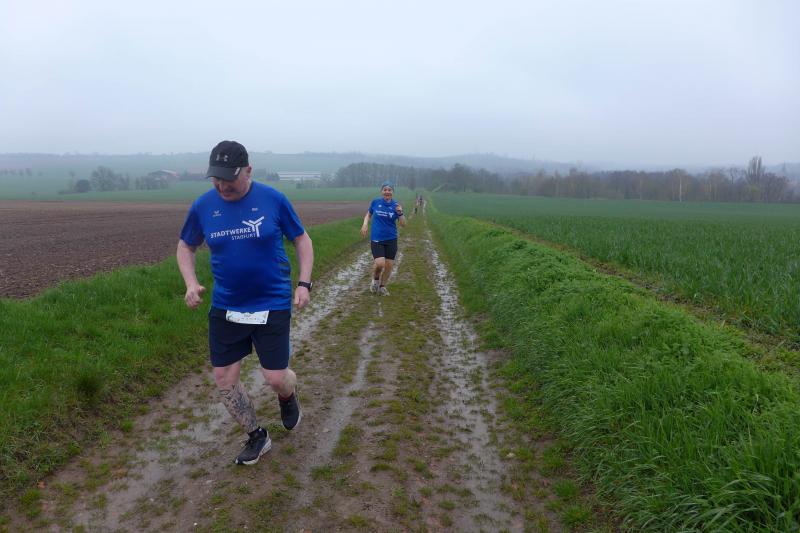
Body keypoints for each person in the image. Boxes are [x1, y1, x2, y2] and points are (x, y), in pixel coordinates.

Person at [177, 140, 314, 465]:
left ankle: (287, 394)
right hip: (227, 305)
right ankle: (257, 436)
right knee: (224, 379)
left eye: (229, 179)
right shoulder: (203, 206)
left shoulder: (273, 199)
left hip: (271, 302)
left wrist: (304, 283)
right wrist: (191, 283)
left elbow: (301, 239)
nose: (222, 186)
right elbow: (186, 246)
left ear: (248, 171)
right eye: (216, 179)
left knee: (275, 377)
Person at [360, 180, 406, 295]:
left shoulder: (396, 206)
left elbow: (403, 224)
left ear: (393, 192)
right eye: (385, 190)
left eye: (389, 190)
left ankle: (382, 287)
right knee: (380, 264)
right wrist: (365, 224)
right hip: (377, 238)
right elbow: (368, 214)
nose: (387, 192)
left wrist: (400, 213)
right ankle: (375, 280)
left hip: (391, 239)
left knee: (389, 265)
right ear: (381, 191)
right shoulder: (375, 202)